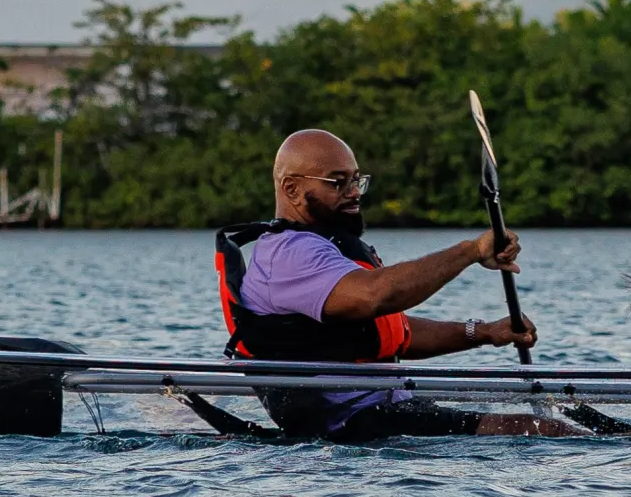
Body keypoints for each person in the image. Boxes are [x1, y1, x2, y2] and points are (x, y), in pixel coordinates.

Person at [217, 126, 570, 440]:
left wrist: (484, 332)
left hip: (384, 410)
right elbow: (377, 296)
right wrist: (471, 251)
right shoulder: (292, 253)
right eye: (338, 183)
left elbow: (387, 333)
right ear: (291, 188)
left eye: (357, 180)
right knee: (541, 429)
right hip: (350, 423)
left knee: (547, 428)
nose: (354, 192)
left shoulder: (321, 247)